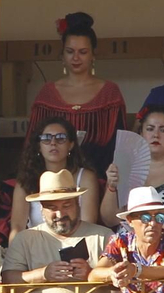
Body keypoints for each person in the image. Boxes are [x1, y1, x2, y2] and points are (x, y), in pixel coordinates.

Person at [28, 12, 127, 173]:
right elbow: (33, 143)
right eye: (70, 51)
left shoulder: (110, 93)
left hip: (100, 175)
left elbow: (119, 146)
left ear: (93, 55)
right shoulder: (47, 93)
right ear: (62, 55)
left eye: (83, 52)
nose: (76, 58)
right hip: (53, 176)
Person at [100, 106, 164, 232]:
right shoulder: (125, 166)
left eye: (163, 130)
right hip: (130, 238)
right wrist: (111, 187)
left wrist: (155, 233)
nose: (156, 135)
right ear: (141, 134)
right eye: (150, 129)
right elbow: (109, 220)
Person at [10, 116, 99, 239]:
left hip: (77, 244)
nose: (53, 143)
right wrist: (15, 250)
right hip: (36, 246)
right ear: (39, 146)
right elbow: (17, 227)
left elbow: (88, 224)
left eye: (60, 138)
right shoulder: (25, 180)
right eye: (46, 138)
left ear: (71, 145)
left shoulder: (86, 177)